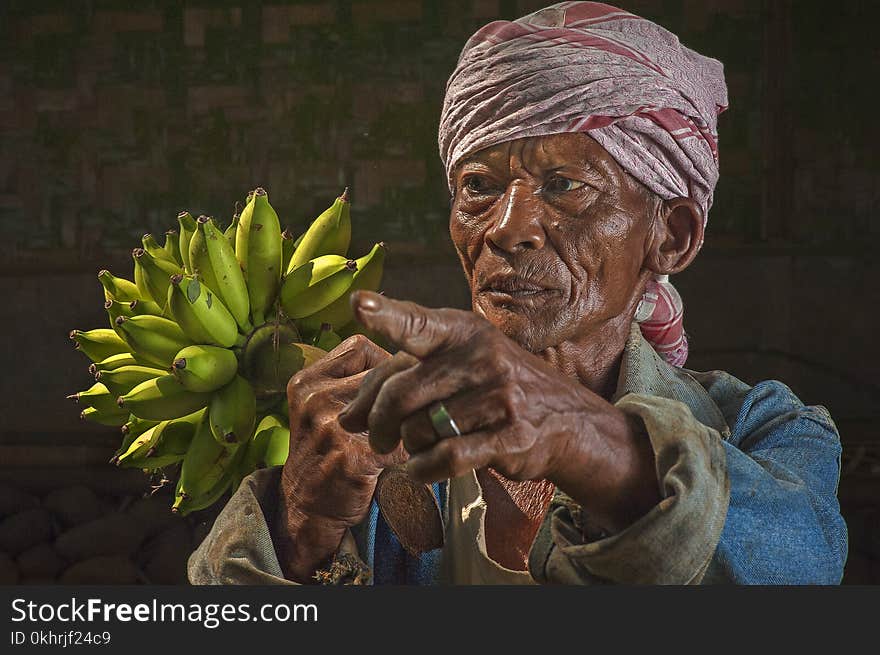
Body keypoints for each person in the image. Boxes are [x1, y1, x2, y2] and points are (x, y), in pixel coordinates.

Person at [188, 2, 847, 585]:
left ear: (669, 235)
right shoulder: (372, 452)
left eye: (564, 185)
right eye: (478, 186)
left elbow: (801, 568)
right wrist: (304, 523)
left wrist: (571, 432)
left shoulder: (763, 428)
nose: (506, 228)